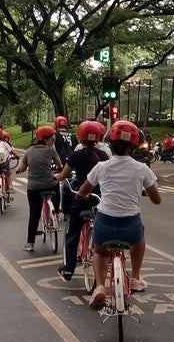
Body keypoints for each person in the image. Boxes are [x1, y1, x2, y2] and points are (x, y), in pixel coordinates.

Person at [75, 119, 161, 308]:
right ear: (133, 145)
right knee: (140, 239)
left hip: (105, 222)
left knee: (100, 251)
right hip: (130, 226)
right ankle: (136, 277)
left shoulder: (101, 167)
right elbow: (157, 199)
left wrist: (82, 194)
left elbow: (83, 189)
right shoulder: (142, 169)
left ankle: (99, 287)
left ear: (110, 143)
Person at [56, 119, 108, 280]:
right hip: (100, 199)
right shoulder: (104, 155)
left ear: (81, 137)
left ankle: (69, 269)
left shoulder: (76, 156)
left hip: (82, 197)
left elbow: (64, 175)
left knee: (73, 233)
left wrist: (58, 176)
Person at [16, 125, 62, 251]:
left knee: (34, 214)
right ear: (45, 139)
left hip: (33, 188)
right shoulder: (51, 150)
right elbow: (60, 164)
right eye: (52, 139)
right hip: (49, 184)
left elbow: (22, 167)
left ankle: (30, 243)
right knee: (56, 183)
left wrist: (18, 171)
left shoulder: (29, 151)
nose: (53, 141)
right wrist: (59, 170)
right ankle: (56, 212)